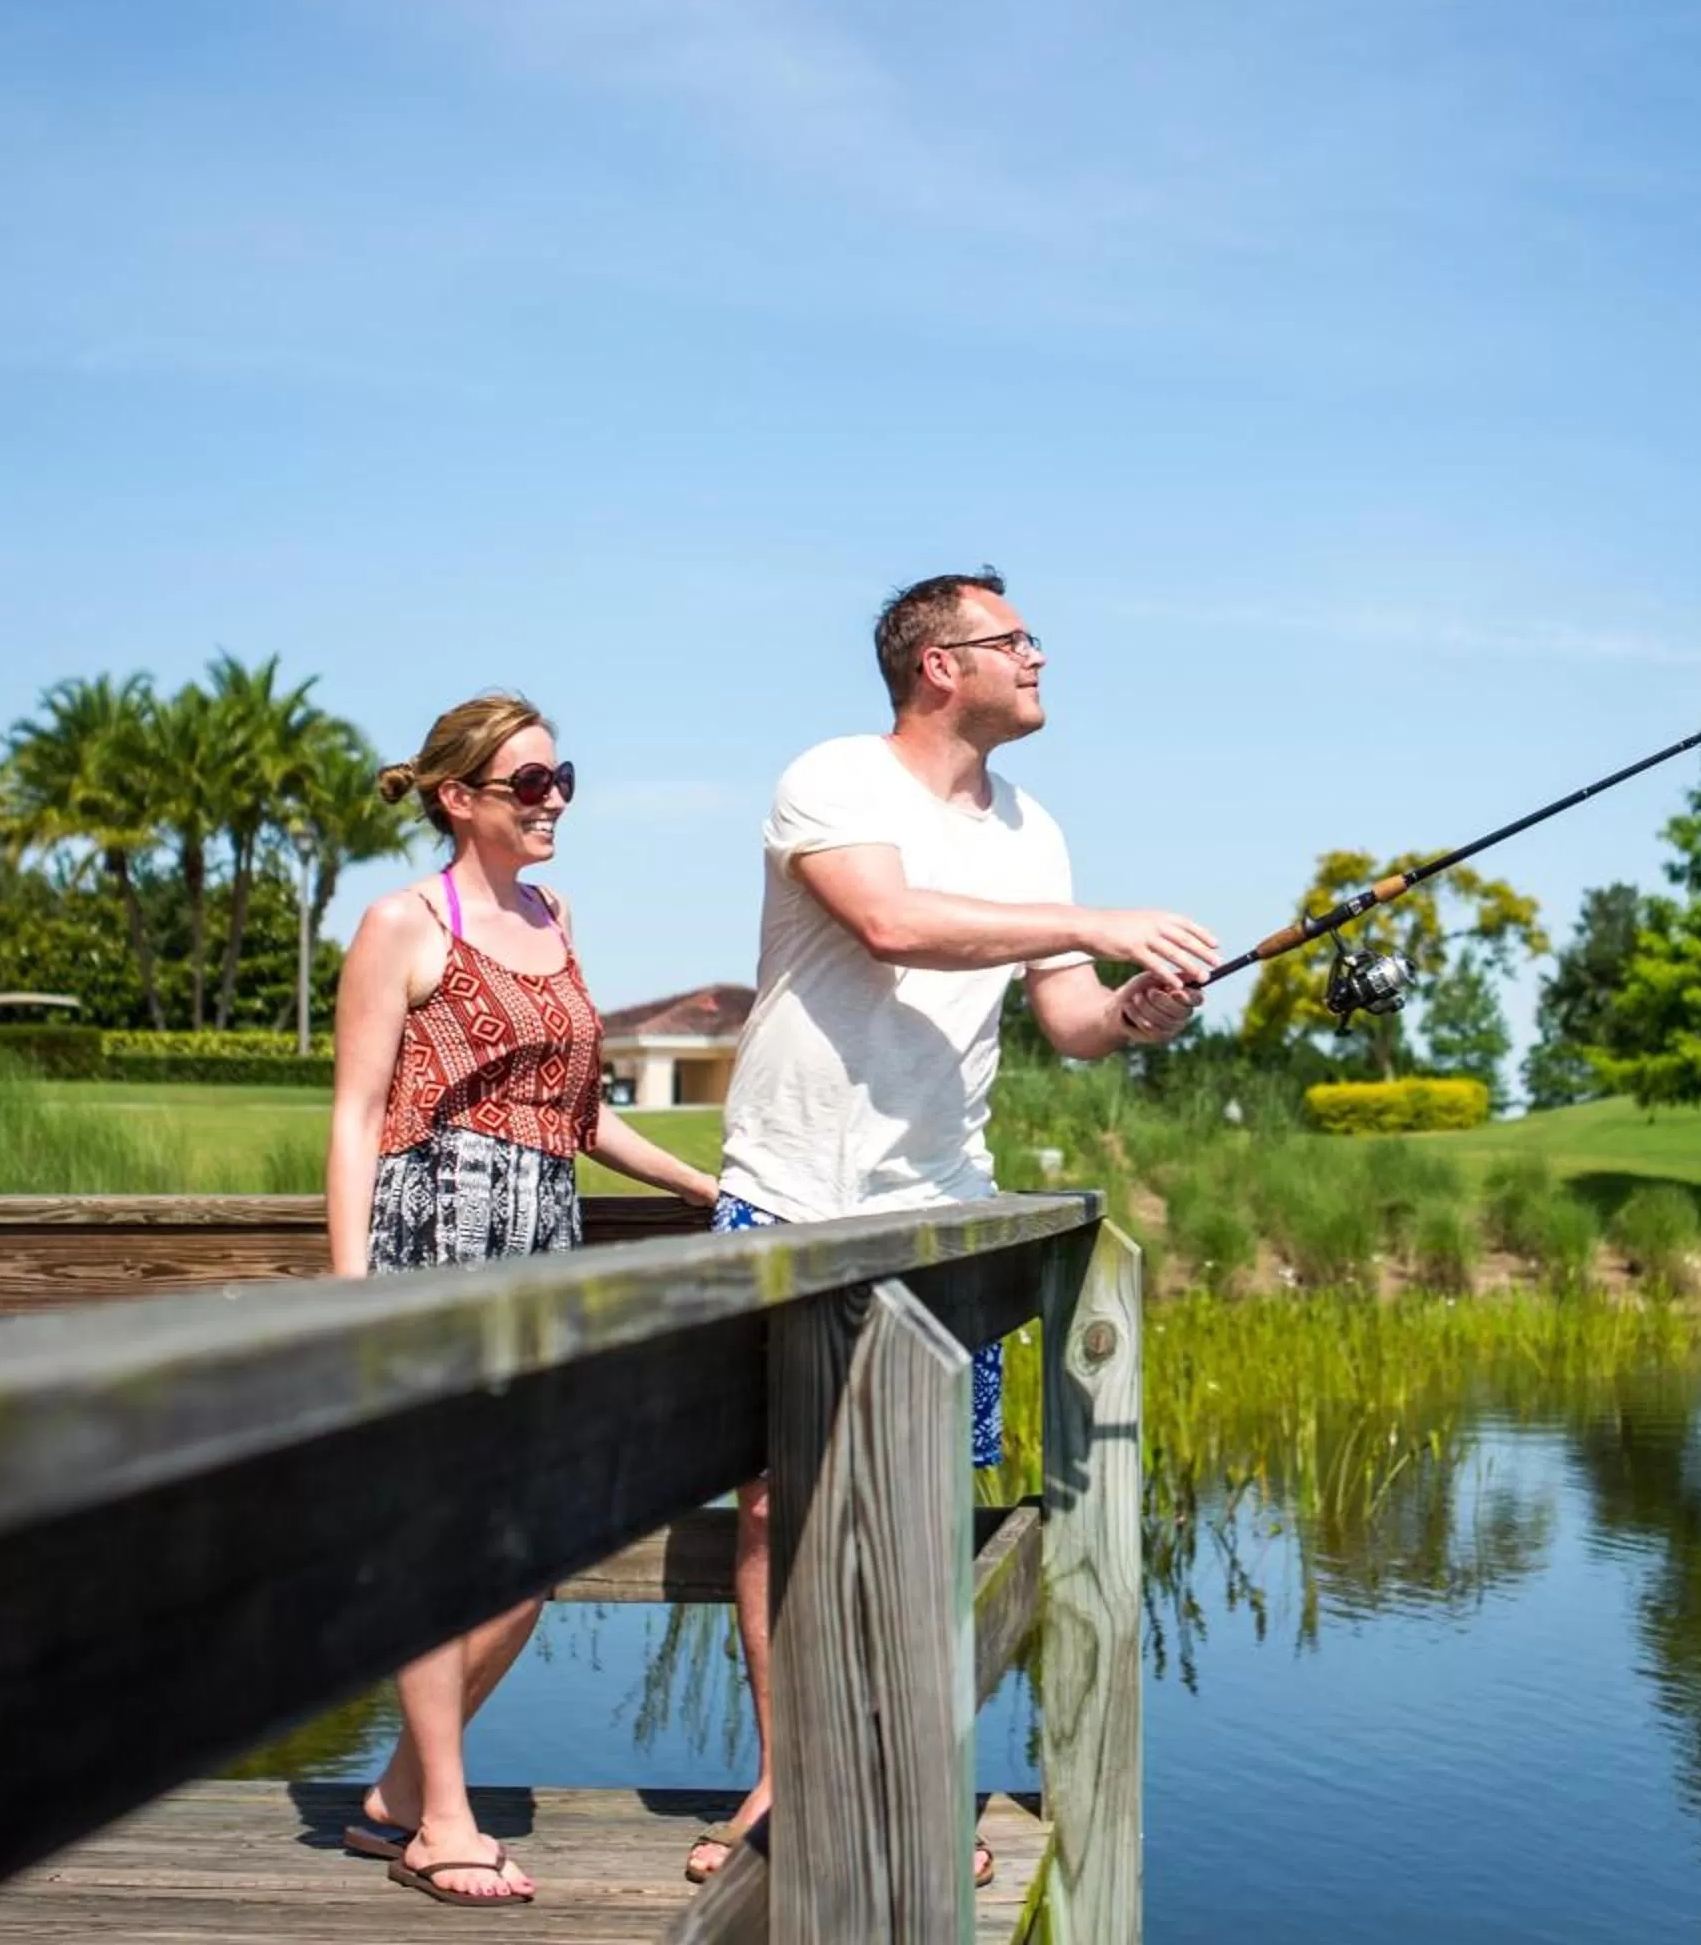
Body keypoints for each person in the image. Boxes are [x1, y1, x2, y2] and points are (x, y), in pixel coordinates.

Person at [684, 569, 1214, 1887]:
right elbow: (890, 921)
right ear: (938, 665)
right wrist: (1093, 922)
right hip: (795, 1197)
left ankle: (918, 1773)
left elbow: (1073, 1023)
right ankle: (783, 1781)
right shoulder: (835, 779)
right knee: (774, 1509)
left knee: (931, 1511)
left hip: (946, 1218)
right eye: (1014, 641)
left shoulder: (1035, 829)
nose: (1040, 659)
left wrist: (1139, 1011)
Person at [325, 692, 719, 1908]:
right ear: (460, 797)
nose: (554, 800)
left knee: (536, 1546)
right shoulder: (401, 924)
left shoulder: (557, 920)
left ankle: (398, 1788)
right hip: (434, 1237)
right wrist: (348, 1300)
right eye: (529, 782)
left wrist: (713, 1183)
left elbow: (583, 1112)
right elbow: (352, 1118)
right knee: (443, 1539)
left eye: (563, 779)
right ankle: (443, 1815)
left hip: (542, 1238)